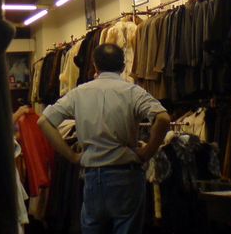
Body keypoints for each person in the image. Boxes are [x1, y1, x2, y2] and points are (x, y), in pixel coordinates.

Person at [38, 43, 170, 234]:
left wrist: (72, 156)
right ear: (123, 66)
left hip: (93, 176)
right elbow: (163, 118)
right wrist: (147, 152)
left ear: (95, 65)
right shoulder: (133, 92)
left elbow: (44, 121)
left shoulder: (79, 93)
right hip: (126, 175)